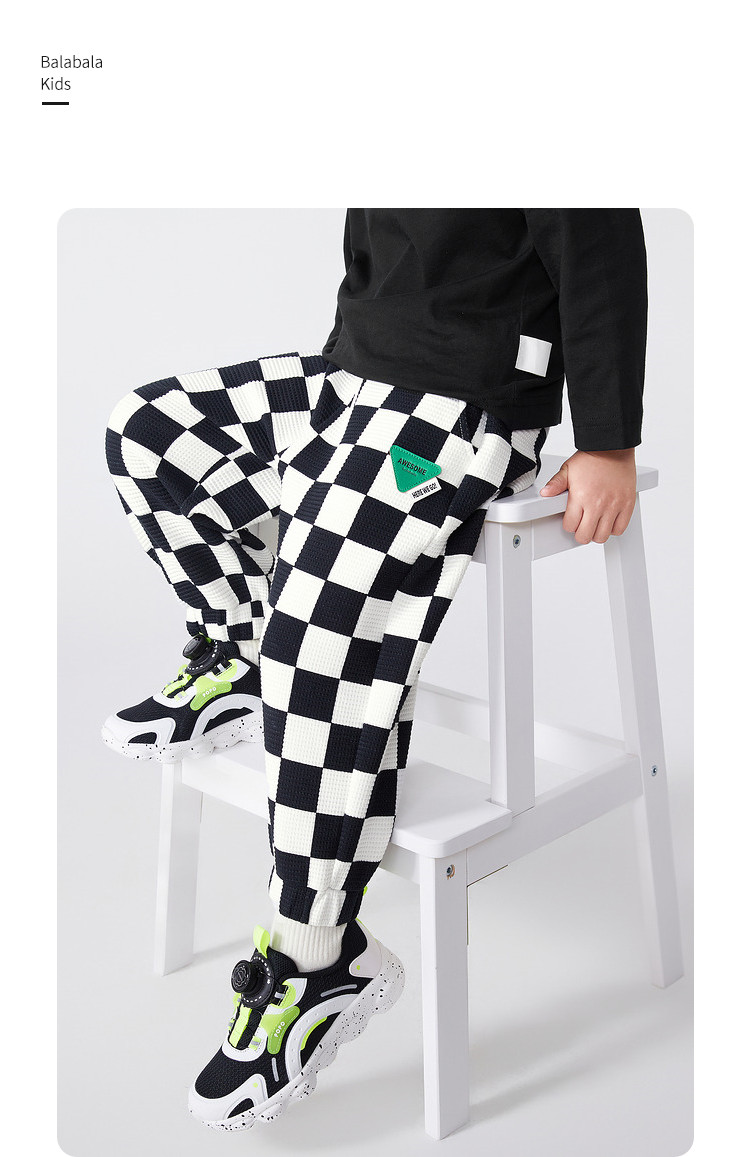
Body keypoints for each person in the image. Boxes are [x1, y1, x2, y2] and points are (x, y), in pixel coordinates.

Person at [102, 208, 647, 1130]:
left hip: (458, 407)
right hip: (351, 379)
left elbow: (600, 245)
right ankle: (237, 651)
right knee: (148, 432)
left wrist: (607, 439)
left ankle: (318, 956)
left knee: (316, 628)